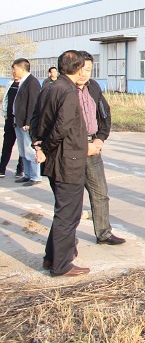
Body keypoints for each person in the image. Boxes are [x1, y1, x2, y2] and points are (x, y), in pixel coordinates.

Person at [33, 50, 90, 276]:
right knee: (69, 214)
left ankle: (51, 258)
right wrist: (44, 148)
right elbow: (62, 127)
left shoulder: (50, 87)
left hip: (58, 158)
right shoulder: (67, 91)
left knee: (63, 211)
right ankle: (61, 265)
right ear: (78, 69)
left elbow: (36, 119)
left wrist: (38, 143)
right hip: (67, 160)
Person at [76, 51, 126, 246]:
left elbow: (104, 113)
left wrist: (100, 139)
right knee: (71, 198)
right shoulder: (62, 90)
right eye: (80, 69)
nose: (84, 74)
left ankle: (104, 233)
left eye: (88, 69)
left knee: (100, 193)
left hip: (93, 149)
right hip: (72, 150)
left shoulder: (93, 87)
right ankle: (66, 239)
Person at [11, 58, 42, 186]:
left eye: (14, 69)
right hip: (19, 121)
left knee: (30, 150)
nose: (13, 71)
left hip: (26, 124)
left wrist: (29, 122)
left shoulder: (32, 82)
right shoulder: (22, 82)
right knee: (23, 151)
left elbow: (33, 104)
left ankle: (35, 176)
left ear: (21, 68)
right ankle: (27, 174)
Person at [1, 76, 24, 178]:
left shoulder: (25, 84)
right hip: (10, 118)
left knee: (22, 145)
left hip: (20, 119)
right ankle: (2, 168)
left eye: (15, 69)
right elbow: (5, 99)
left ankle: (20, 170)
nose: (14, 72)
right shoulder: (10, 83)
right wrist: (5, 113)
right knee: (7, 144)